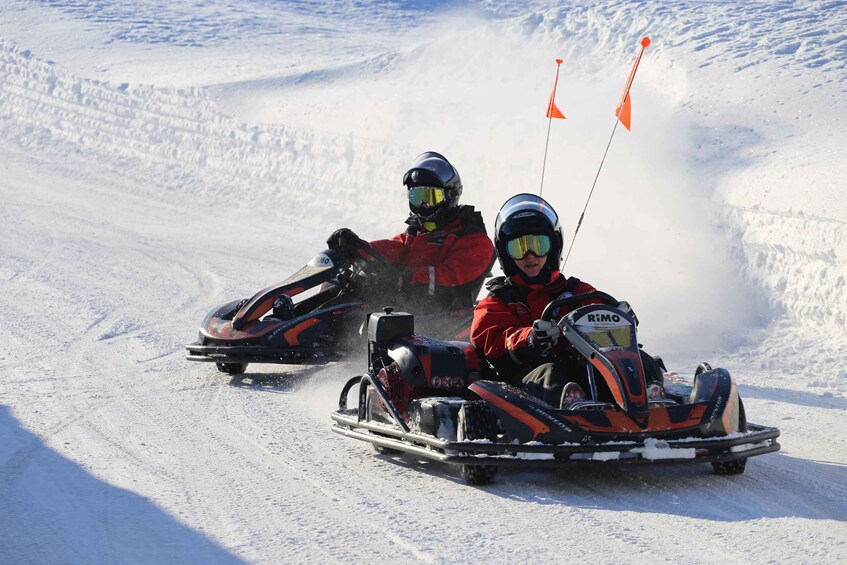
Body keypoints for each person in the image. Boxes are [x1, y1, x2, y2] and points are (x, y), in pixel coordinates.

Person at [471, 193, 662, 409]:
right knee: (550, 374)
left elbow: (597, 309)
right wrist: (530, 339)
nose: (530, 256)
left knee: (641, 360)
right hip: (527, 382)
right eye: (519, 248)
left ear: (553, 247)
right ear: (506, 255)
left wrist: (619, 316)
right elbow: (490, 339)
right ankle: (572, 408)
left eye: (539, 244)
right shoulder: (499, 301)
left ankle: (652, 402)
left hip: (583, 367)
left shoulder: (576, 291)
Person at [326, 151, 496, 317]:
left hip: (435, 324)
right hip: (399, 311)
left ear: (450, 195)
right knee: (342, 289)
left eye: (431, 197)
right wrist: (358, 247)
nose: (424, 204)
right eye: (417, 196)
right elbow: (394, 248)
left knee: (358, 310)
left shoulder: (473, 239)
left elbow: (452, 277)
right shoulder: (417, 232)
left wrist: (404, 279)